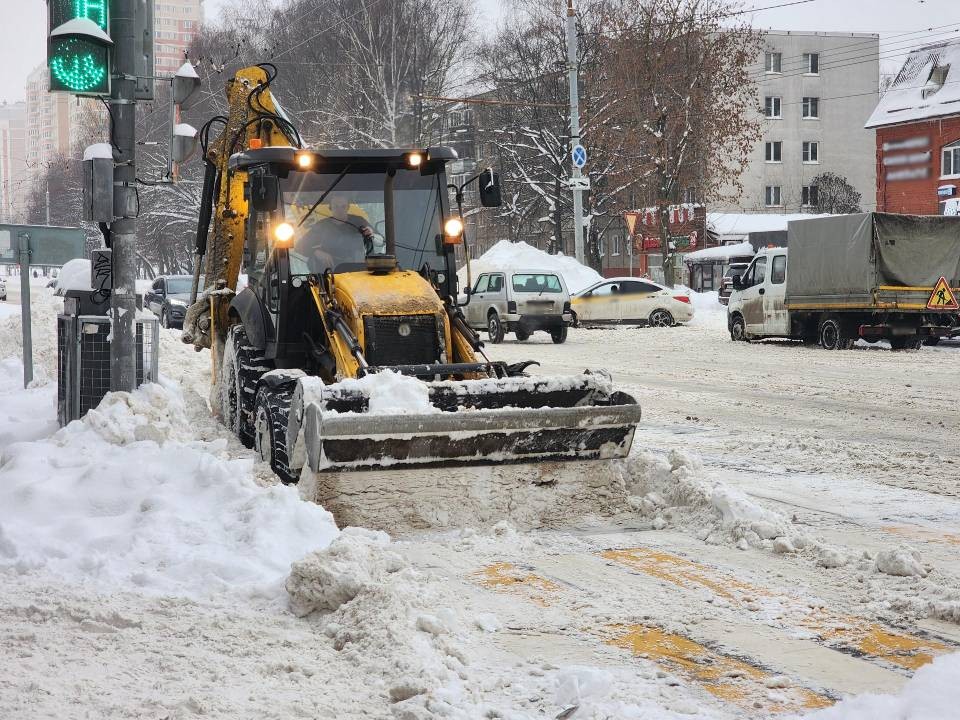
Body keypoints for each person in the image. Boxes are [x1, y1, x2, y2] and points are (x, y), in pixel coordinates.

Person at [297, 193, 374, 273]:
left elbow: (380, 239)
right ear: (330, 208)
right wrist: (316, 252)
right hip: (330, 273)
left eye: (343, 206)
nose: (339, 210)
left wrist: (371, 232)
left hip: (358, 271)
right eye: (336, 206)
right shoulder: (322, 226)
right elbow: (299, 246)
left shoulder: (359, 221)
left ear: (348, 207)